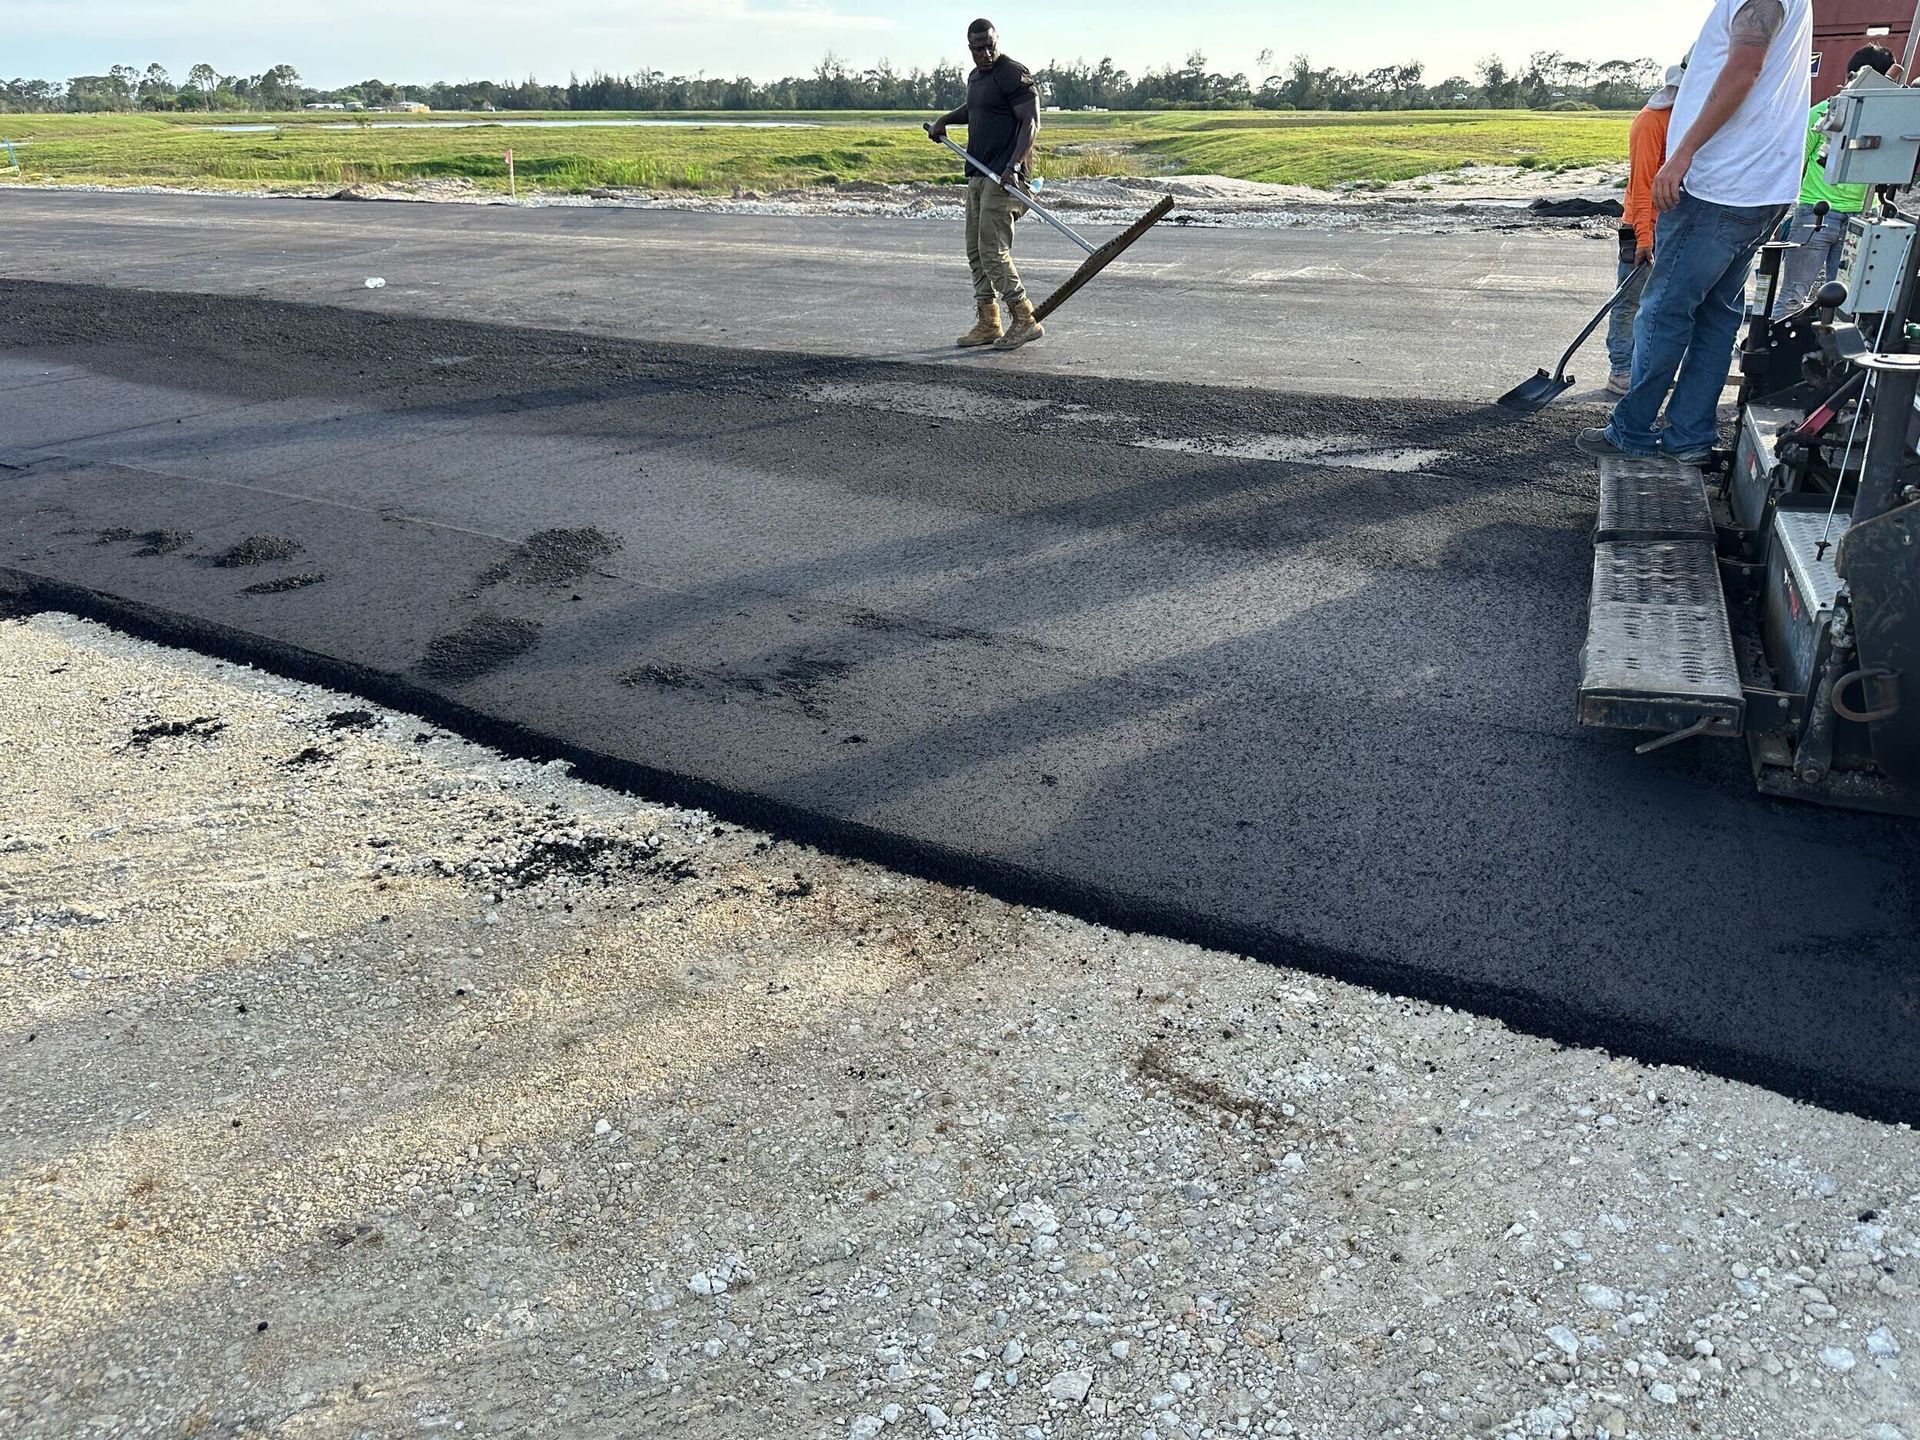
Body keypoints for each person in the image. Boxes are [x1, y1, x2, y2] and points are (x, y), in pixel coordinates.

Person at [1578, 0, 1813, 465]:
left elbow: (1743, 69)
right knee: (1717, 315)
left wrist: (1682, 153)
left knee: (1664, 311)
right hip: (1762, 188)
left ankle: (1631, 429)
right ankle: (1688, 437)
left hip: (1719, 187)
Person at [928, 18, 1044, 351]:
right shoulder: (976, 78)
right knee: (975, 251)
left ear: (997, 41)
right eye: (979, 48)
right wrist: (946, 120)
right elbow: (976, 108)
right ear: (970, 49)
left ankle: (1023, 318)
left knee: (993, 250)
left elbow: (1031, 122)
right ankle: (988, 321)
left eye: (990, 45)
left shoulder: (1012, 72)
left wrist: (1015, 165)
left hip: (1004, 177)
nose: (986, 53)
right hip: (979, 173)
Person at [1770, 43, 1899, 316]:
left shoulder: (1887, 122)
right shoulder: (1822, 114)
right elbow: (1795, 163)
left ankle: (1830, 356)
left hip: (1861, 216)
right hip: (1816, 215)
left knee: (1848, 303)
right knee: (1794, 295)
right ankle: (1779, 353)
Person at [1606, 63, 1685, 394]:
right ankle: (1621, 370)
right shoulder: (1651, 122)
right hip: (1640, 227)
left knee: (1658, 305)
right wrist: (1643, 236)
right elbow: (1642, 185)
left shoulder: (1686, 121)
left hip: (1671, 225)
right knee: (1630, 302)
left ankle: (1643, 369)